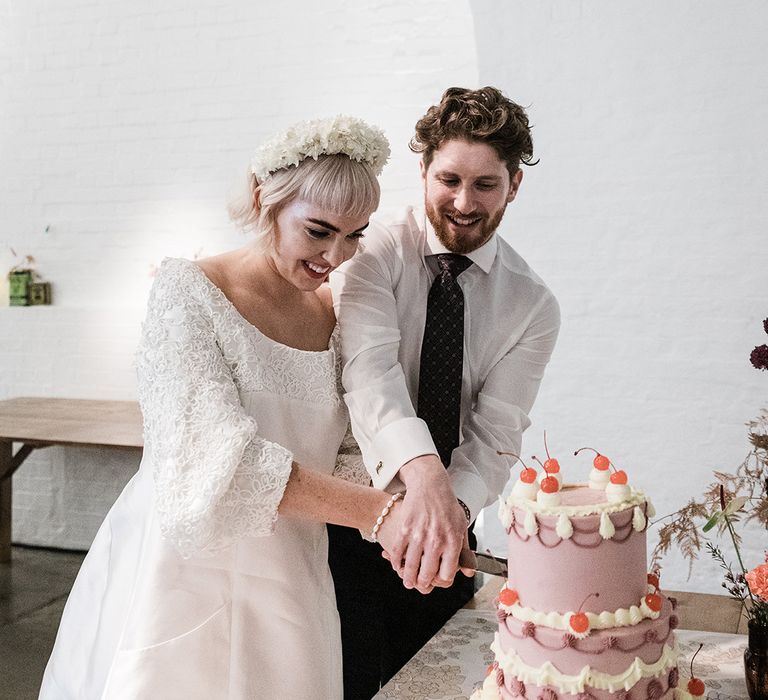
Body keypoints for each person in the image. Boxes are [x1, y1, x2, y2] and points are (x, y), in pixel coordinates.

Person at [39, 116, 410, 700]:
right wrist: (381, 514)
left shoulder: (333, 316)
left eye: (354, 235)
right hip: (186, 571)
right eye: (318, 231)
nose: (335, 255)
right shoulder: (190, 290)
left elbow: (345, 448)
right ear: (265, 199)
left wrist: (409, 511)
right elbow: (217, 459)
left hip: (293, 569)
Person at [328, 86, 561, 698]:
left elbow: (496, 433)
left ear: (515, 185)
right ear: (424, 172)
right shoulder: (374, 252)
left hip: (448, 533)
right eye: (449, 178)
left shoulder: (533, 307)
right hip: (343, 523)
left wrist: (446, 513)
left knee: (438, 688)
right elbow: (368, 370)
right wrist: (424, 481)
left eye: (485, 184)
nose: (464, 202)